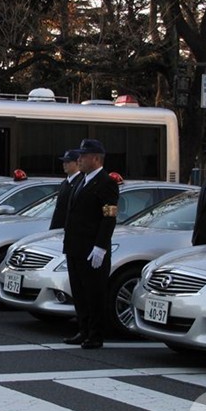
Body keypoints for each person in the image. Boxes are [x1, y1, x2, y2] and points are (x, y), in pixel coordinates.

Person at [62, 139, 119, 349]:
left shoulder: (106, 182)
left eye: (83, 157)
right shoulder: (80, 181)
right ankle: (83, 329)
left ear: (96, 158)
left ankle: (95, 334)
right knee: (79, 292)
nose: (80, 160)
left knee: (94, 292)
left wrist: (100, 247)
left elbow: (108, 217)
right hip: (75, 246)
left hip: (91, 248)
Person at [49, 149, 84, 230]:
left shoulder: (81, 182)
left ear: (77, 163)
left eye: (68, 162)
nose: (64, 164)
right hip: (58, 228)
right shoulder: (64, 183)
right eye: (64, 162)